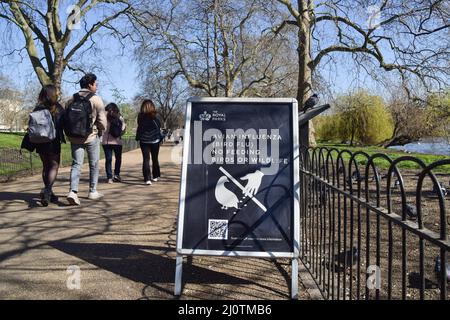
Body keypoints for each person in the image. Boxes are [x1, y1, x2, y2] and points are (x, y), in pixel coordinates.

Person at [65, 73, 106, 205]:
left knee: (76, 164)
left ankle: (73, 191)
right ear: (90, 85)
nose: (97, 86)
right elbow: (102, 122)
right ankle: (92, 191)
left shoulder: (70, 98)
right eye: (96, 83)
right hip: (90, 136)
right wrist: (100, 129)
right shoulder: (96, 99)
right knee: (93, 164)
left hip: (74, 137)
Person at [32, 85, 65, 206]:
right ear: (53, 94)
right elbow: (63, 123)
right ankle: (47, 191)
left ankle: (49, 192)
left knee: (46, 166)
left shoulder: (37, 108)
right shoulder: (58, 108)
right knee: (54, 166)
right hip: (53, 141)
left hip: (39, 141)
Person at [135, 99, 162, 185]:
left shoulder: (140, 116)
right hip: (155, 140)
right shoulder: (155, 115)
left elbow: (140, 126)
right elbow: (159, 125)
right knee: (155, 158)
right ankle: (155, 176)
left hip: (144, 140)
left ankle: (147, 178)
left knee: (146, 159)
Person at [102, 103, 126, 183]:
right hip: (117, 141)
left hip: (106, 141)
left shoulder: (104, 116)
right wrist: (119, 134)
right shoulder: (119, 117)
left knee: (108, 160)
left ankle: (109, 177)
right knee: (118, 159)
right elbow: (123, 129)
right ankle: (116, 175)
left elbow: (101, 127)